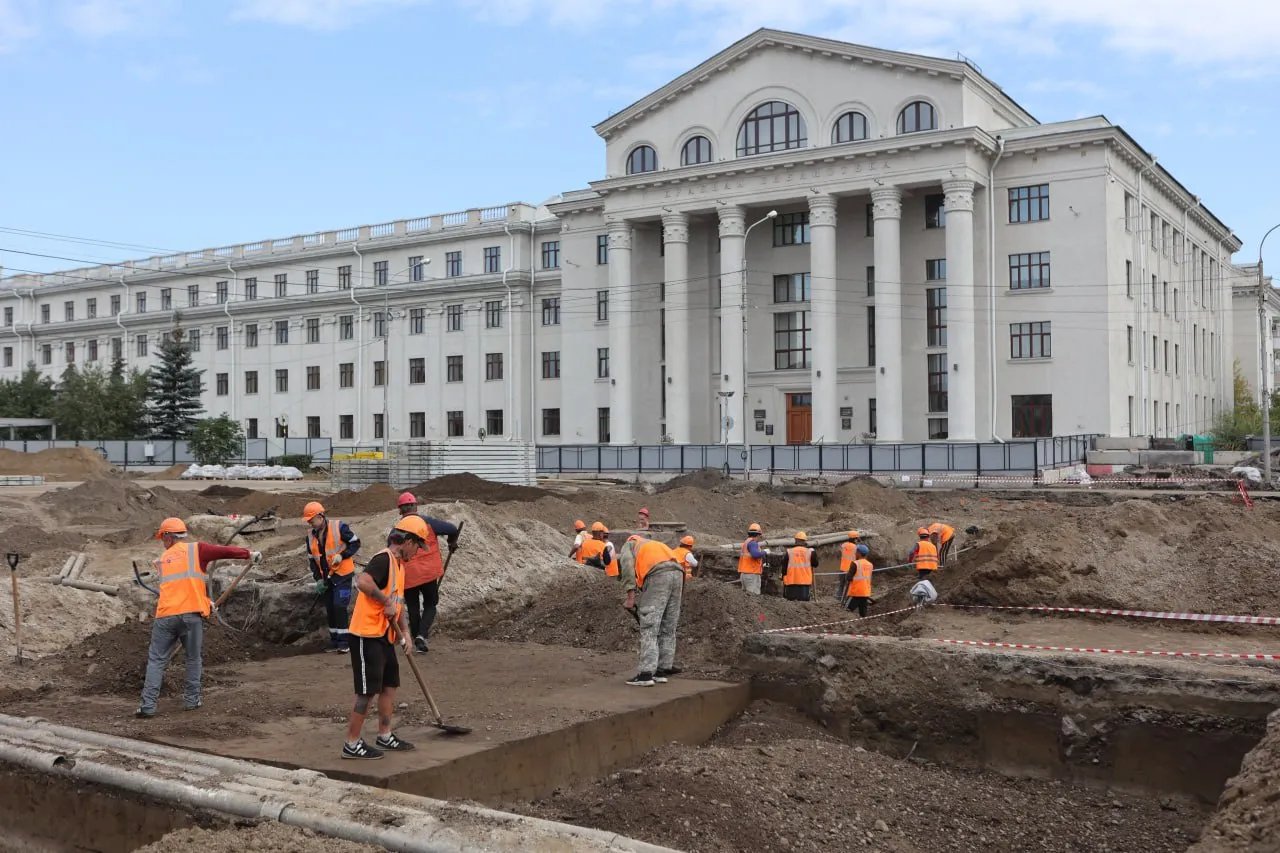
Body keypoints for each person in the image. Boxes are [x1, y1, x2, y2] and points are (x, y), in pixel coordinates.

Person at [136, 518, 260, 718]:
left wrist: (204, 601)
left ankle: (147, 707)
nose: (162, 541)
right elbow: (223, 551)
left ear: (169, 536)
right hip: (191, 616)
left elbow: (179, 588)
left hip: (166, 616)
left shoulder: (163, 560)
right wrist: (248, 554)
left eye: (162, 537)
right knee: (193, 659)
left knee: (156, 661)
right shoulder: (197, 550)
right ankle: (192, 701)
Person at [343, 515, 427, 760]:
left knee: (389, 686)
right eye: (418, 546)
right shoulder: (383, 559)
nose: (418, 552)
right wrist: (385, 600)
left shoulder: (400, 566)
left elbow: (396, 605)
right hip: (366, 635)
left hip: (384, 634)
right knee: (367, 692)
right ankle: (352, 743)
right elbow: (363, 581)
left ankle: (384, 735)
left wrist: (406, 634)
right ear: (407, 541)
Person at [395, 492, 460, 653]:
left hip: (408, 575)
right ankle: (421, 637)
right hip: (428, 573)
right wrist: (452, 542)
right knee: (431, 604)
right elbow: (452, 529)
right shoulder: (428, 522)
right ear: (415, 506)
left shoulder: (397, 529)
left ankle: (418, 641)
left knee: (413, 607)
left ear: (400, 510)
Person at [620, 535, 684, 687]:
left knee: (649, 626)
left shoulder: (629, 546)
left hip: (658, 575)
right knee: (668, 626)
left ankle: (645, 674)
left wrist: (630, 598)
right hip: (678, 574)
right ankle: (662, 670)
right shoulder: (655, 545)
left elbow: (628, 568)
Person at [304, 501, 361, 653]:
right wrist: (318, 579)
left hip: (342, 575)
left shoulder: (339, 527)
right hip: (327, 578)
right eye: (309, 521)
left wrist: (342, 556)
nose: (311, 524)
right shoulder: (310, 536)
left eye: (312, 520)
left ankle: (344, 643)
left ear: (321, 516)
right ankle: (335, 642)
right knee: (330, 608)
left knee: (339, 606)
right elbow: (312, 560)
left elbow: (355, 543)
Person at [782, 531, 817, 601]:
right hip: (805, 583)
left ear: (796, 540)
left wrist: (784, 579)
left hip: (791, 583)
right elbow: (815, 564)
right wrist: (814, 554)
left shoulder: (789, 551)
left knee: (791, 604)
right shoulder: (810, 552)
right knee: (803, 605)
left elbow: (784, 568)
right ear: (805, 541)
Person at [843, 544, 873, 617]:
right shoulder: (870, 565)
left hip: (856, 592)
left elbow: (848, 577)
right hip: (865, 592)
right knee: (863, 614)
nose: (855, 553)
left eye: (856, 551)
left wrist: (848, 576)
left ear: (859, 553)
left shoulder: (855, 563)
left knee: (846, 612)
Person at [738, 522, 767, 595]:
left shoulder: (746, 542)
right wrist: (765, 552)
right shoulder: (753, 543)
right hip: (751, 575)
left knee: (745, 599)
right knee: (753, 599)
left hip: (745, 574)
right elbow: (755, 554)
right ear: (758, 534)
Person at [837, 531, 860, 601]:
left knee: (841, 585)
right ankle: (847, 600)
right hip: (850, 570)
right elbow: (858, 558)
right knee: (849, 586)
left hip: (842, 569)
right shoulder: (856, 548)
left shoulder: (843, 545)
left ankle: (839, 599)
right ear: (855, 539)